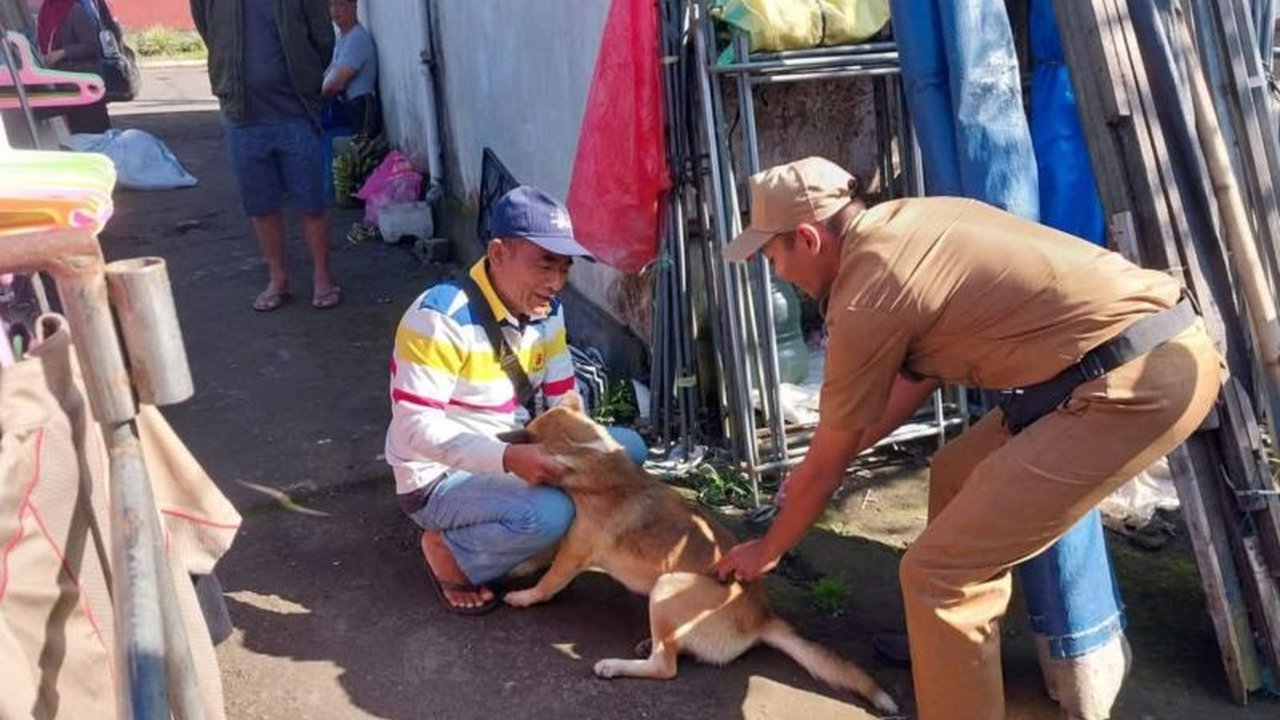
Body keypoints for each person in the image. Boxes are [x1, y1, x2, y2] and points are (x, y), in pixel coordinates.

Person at [711, 157, 1221, 719]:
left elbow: (828, 466)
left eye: (772, 254)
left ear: (807, 238)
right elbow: (905, 382)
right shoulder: (904, 226)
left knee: (939, 575)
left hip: (1133, 382)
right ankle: (946, 651)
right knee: (954, 472)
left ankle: (947, 648)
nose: (776, 270)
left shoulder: (867, 292)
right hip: (1118, 359)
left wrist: (769, 547)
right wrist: (824, 461)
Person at [385, 186, 647, 614]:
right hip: (440, 476)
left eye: (564, 268)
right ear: (498, 252)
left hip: (518, 447)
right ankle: (448, 549)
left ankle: (545, 538)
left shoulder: (550, 311)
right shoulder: (438, 318)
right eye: (545, 264)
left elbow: (565, 402)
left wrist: (578, 448)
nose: (556, 282)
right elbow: (414, 430)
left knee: (629, 450)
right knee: (545, 516)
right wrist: (510, 459)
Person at [190, 0, 342, 312]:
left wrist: (309, 75)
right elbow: (207, 28)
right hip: (241, 113)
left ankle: (322, 277)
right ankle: (278, 278)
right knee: (261, 204)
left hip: (296, 111)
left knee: (312, 201)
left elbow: (323, 36)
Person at [36, 0, 110, 133]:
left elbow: (91, 46)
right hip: (61, 87)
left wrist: (61, 53)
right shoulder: (45, 12)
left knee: (91, 134)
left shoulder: (74, 9)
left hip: (83, 86)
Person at [321, 0, 381, 138]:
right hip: (347, 112)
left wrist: (315, 93)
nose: (335, 10)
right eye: (331, 5)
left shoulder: (356, 38)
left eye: (340, 4)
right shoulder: (343, 38)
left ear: (354, 6)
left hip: (359, 112)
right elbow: (328, 75)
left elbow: (334, 84)